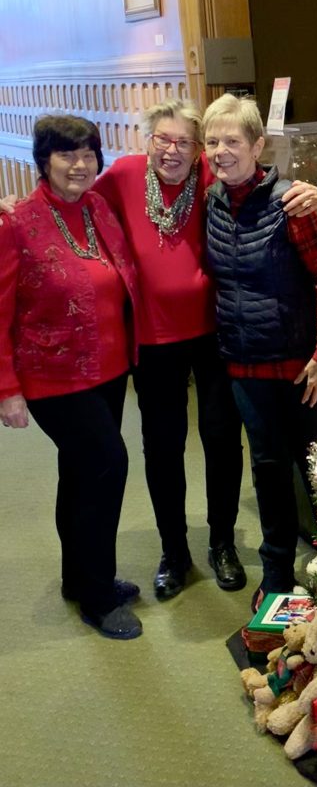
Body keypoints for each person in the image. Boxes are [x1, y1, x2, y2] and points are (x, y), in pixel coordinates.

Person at [93, 99, 317, 600]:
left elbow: (255, 171)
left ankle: (221, 543)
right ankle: (174, 550)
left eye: (184, 142)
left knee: (222, 442)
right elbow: (76, 201)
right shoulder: (124, 176)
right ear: (147, 140)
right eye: (162, 140)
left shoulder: (208, 170)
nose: (173, 150)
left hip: (213, 335)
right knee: (163, 446)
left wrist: (315, 193)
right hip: (152, 342)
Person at [0, 116, 143, 640]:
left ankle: (76, 577)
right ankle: (97, 596)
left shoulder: (98, 208)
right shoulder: (17, 223)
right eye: (66, 155)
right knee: (108, 465)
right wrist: (7, 390)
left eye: (87, 153)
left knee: (80, 472)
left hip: (107, 369)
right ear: (43, 161)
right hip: (52, 376)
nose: (79, 164)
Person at [202, 94, 317, 612]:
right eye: (212, 141)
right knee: (267, 469)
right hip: (243, 364)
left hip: (301, 367)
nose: (221, 151)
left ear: (258, 144)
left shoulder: (291, 203)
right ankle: (277, 567)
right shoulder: (212, 200)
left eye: (232, 141)